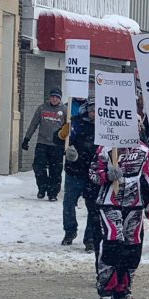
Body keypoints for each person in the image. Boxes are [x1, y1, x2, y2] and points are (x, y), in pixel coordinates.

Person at [89, 137, 149, 299]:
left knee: (133, 245)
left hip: (135, 204)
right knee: (112, 242)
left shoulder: (143, 149)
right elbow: (93, 173)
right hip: (110, 203)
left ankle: (123, 286)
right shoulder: (106, 148)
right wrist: (107, 175)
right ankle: (106, 286)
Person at [57, 98, 99, 251]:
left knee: (93, 207)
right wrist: (66, 145)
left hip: (94, 173)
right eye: (93, 110)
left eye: (97, 111)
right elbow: (61, 138)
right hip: (74, 170)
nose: (95, 114)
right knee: (69, 202)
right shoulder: (75, 122)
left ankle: (90, 238)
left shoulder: (105, 127)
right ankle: (70, 230)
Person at [21, 87, 67, 201]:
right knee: (38, 167)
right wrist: (27, 139)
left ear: (60, 99)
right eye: (53, 97)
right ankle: (42, 187)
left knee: (55, 170)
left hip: (57, 145)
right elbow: (33, 124)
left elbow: (68, 129)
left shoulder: (65, 110)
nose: (54, 99)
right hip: (42, 143)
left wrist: (67, 144)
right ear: (49, 97)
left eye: (57, 97)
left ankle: (53, 193)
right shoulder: (42, 108)